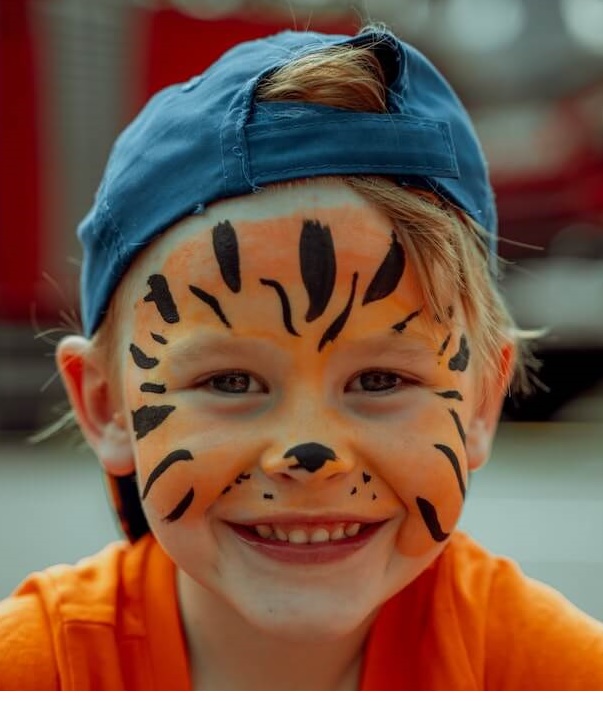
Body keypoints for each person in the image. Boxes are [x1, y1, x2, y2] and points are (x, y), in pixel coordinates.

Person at [1, 26, 602, 691]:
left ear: (481, 402)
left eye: (380, 379)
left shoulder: (554, 674)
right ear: (108, 405)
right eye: (229, 380)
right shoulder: (35, 670)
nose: (309, 453)